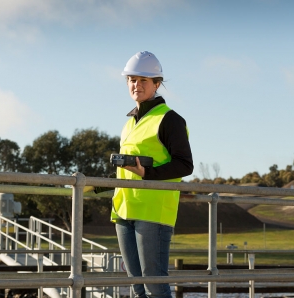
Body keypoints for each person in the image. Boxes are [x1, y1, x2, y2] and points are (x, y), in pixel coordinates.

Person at [111, 51, 193, 298]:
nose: (136, 85)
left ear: (157, 84)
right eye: (132, 80)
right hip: (124, 210)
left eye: (143, 80)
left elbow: (184, 165)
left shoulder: (170, 120)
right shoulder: (129, 122)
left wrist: (147, 172)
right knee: (137, 288)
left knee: (155, 286)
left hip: (152, 212)